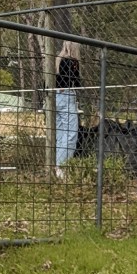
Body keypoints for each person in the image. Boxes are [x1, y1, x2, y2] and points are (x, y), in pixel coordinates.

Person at [54, 42, 81, 176]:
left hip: (54, 96)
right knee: (70, 134)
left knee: (61, 134)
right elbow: (76, 82)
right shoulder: (73, 61)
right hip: (66, 96)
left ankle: (57, 167)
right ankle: (62, 167)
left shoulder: (57, 60)